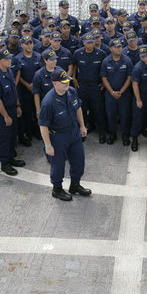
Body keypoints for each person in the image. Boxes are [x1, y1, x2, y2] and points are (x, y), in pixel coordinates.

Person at [38, 69, 90, 201]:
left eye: (67, 81)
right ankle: (57, 189)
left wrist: (82, 126)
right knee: (58, 164)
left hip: (73, 132)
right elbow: (43, 126)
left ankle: (75, 185)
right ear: (55, 83)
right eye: (64, 82)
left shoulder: (71, 92)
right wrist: (48, 145)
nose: (67, 83)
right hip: (58, 136)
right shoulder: (48, 102)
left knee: (79, 160)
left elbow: (78, 108)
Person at [0, 48, 26, 176]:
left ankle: (10, 158)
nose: (9, 61)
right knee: (3, 138)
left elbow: (14, 90)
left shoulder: (9, 71)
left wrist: (17, 105)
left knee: (11, 136)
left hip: (12, 108)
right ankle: (5, 163)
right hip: (1, 113)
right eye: (6, 59)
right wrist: (6, 116)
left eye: (9, 58)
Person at [70, 33, 108, 143]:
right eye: (88, 42)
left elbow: (104, 68)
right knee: (82, 109)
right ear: (83, 43)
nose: (90, 44)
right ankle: (83, 131)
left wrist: (104, 82)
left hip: (96, 86)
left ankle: (102, 132)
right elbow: (74, 65)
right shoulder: (78, 53)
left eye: (92, 42)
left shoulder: (101, 54)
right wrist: (73, 77)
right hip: (82, 86)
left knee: (99, 110)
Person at [100, 38, 133, 145]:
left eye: (120, 46)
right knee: (111, 114)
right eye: (116, 47)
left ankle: (125, 134)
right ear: (111, 49)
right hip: (110, 94)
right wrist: (112, 92)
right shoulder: (106, 61)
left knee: (125, 115)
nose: (119, 49)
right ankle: (112, 133)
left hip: (124, 94)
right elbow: (104, 78)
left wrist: (121, 91)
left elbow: (129, 77)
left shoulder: (127, 60)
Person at [14, 36, 42, 147]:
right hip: (24, 90)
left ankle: (37, 131)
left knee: (37, 111)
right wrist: (27, 84)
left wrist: (34, 85)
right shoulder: (18, 58)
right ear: (22, 45)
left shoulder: (38, 56)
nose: (29, 45)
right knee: (26, 112)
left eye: (30, 43)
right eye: (27, 43)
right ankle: (28, 133)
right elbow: (17, 75)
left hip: (37, 89)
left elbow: (40, 72)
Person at [130, 46, 147, 151]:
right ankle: (135, 138)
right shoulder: (138, 68)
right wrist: (138, 99)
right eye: (142, 56)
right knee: (137, 118)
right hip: (141, 95)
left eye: (146, 56)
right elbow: (135, 84)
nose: (144, 58)